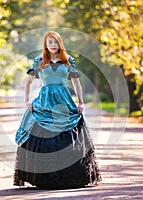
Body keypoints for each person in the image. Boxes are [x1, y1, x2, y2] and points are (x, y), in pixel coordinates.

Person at [13, 31, 101, 189]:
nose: (52, 45)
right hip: (45, 100)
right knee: (39, 133)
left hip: (63, 100)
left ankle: (70, 176)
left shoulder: (68, 61)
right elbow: (28, 83)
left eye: (55, 42)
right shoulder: (39, 61)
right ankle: (43, 178)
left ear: (60, 43)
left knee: (68, 133)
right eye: (49, 42)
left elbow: (76, 84)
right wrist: (27, 101)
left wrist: (80, 103)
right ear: (45, 45)